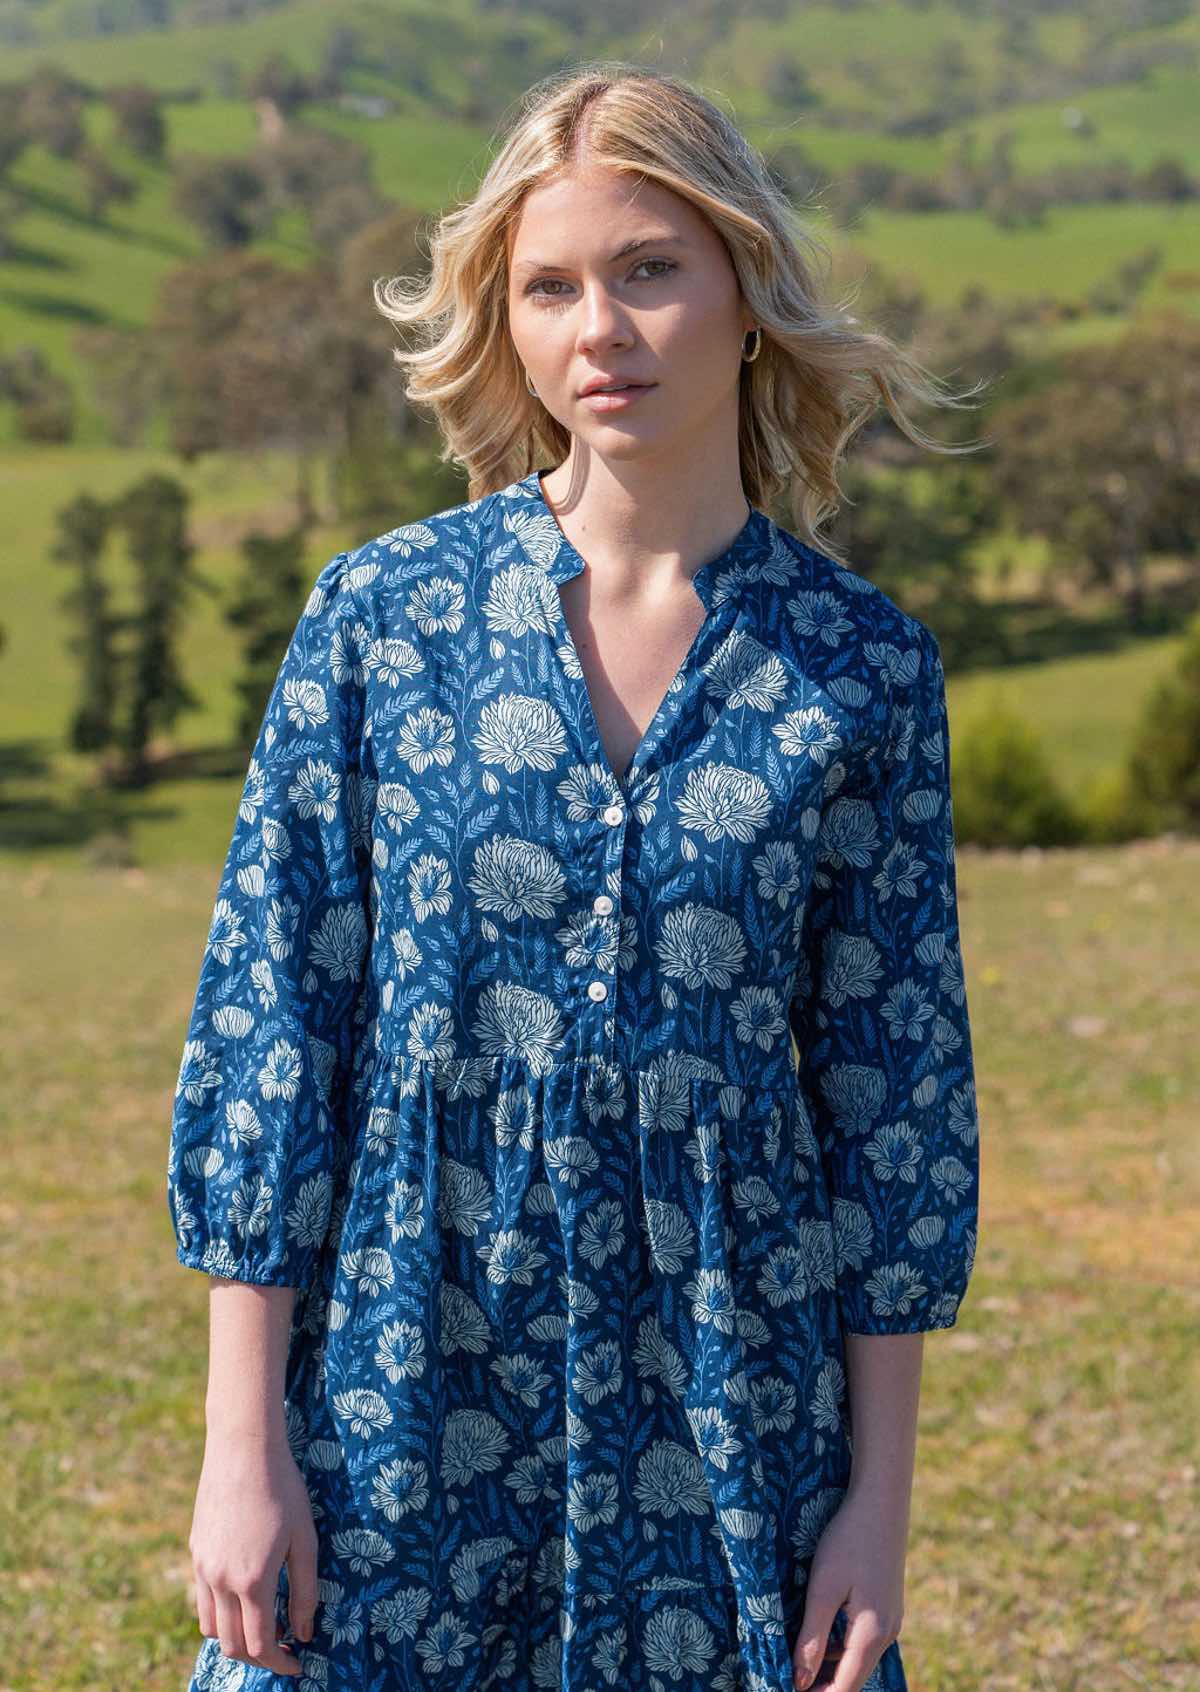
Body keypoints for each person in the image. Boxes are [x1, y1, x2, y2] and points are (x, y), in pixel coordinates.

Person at [167, 60, 984, 1692]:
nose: (598, 328)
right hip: (401, 1383)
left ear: (747, 292)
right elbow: (276, 1036)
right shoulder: (381, 623)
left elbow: (892, 1115)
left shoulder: (862, 669)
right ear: (505, 321)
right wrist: (240, 1450)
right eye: (550, 285)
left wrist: (876, 1511)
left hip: (736, 1405)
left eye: (650, 270)